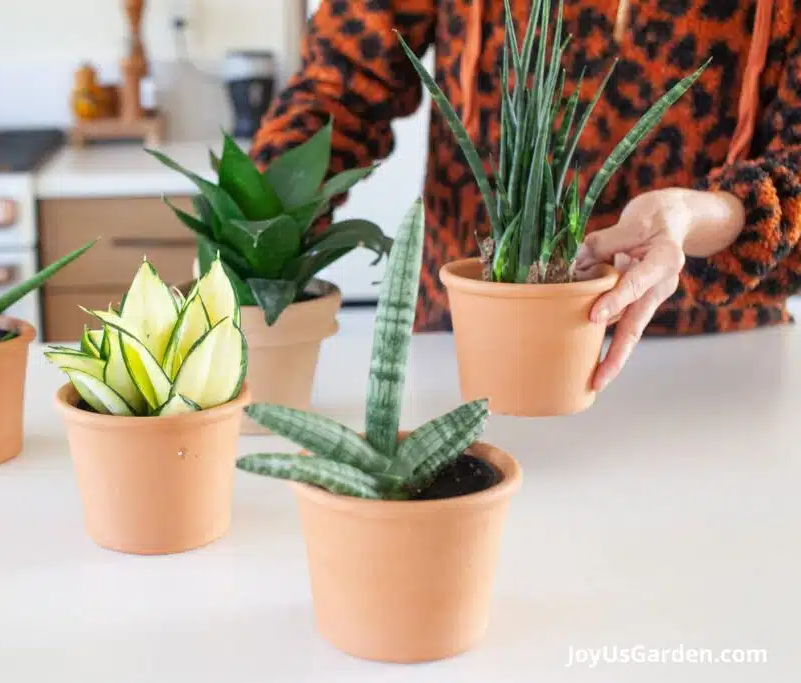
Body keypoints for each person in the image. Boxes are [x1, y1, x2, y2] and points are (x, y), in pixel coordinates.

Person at [249, 0, 801, 390]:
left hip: (719, 357)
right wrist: (257, 226)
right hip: (472, 335)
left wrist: (707, 216)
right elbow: (340, 82)